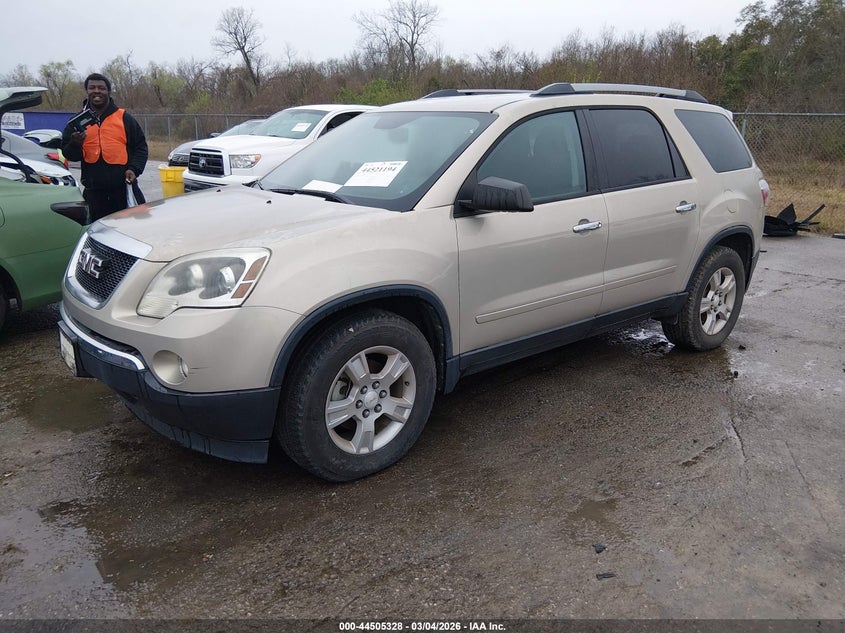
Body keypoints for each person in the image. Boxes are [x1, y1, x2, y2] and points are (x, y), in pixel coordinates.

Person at [61, 73, 148, 221]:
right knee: (98, 235)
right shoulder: (76, 122)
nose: (97, 91)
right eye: (92, 88)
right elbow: (70, 154)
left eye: (101, 88)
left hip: (124, 191)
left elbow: (141, 147)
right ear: (87, 91)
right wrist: (75, 143)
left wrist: (134, 169)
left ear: (108, 91)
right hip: (94, 195)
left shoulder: (124, 118)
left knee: (134, 233)